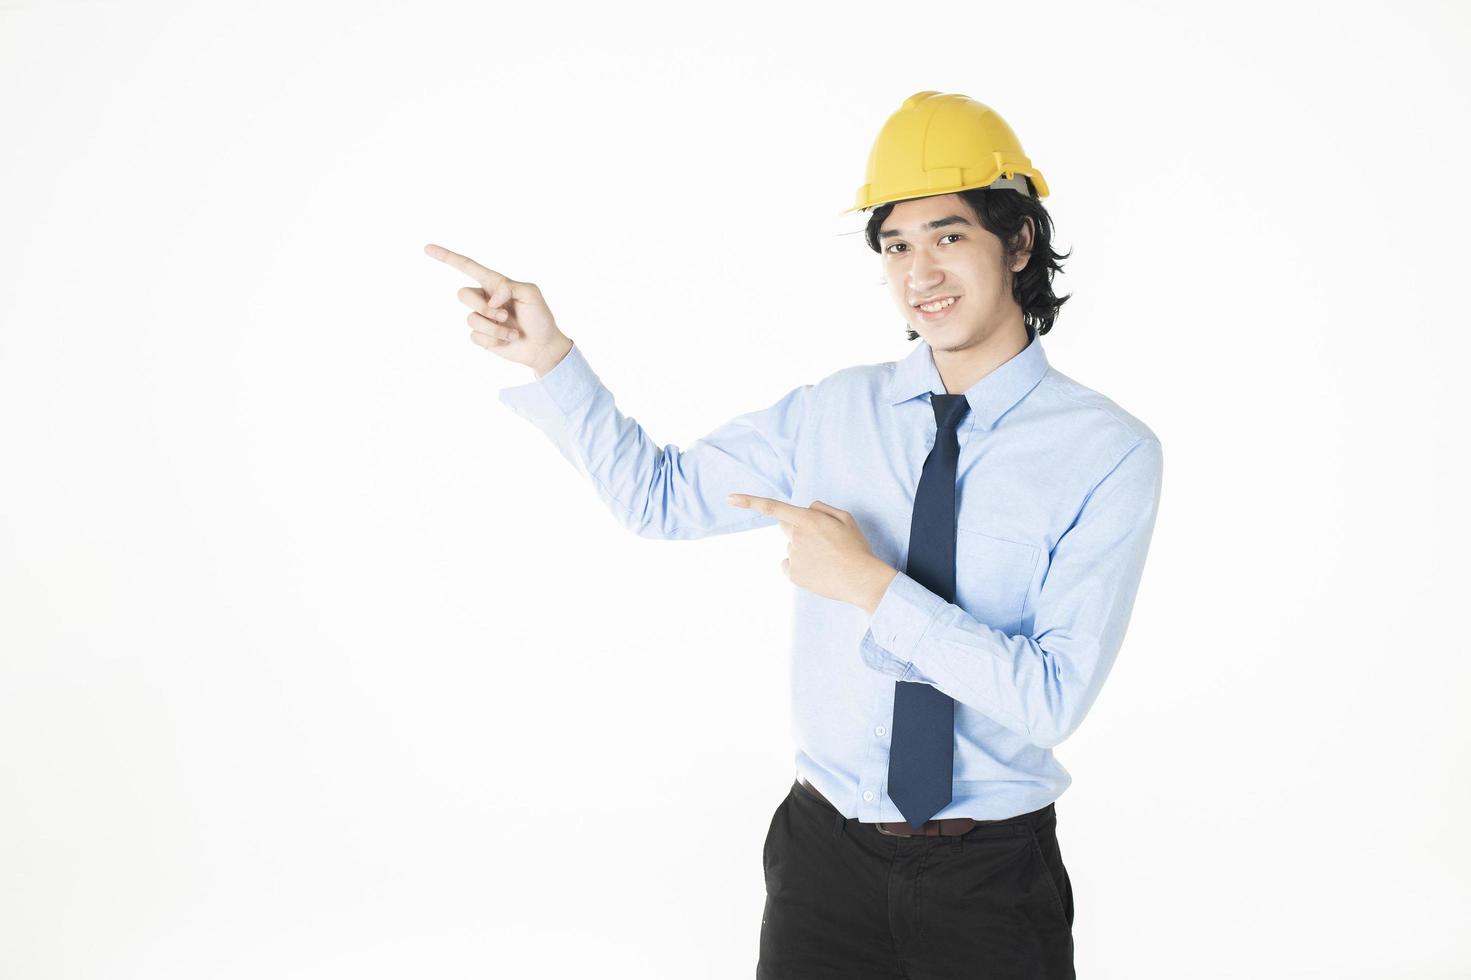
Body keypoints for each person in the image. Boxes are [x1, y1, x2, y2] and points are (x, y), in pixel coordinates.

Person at [424, 90, 1163, 980]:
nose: (918, 271)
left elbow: (1051, 699)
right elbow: (656, 499)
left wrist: (867, 584)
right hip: (823, 866)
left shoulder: (1106, 452)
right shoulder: (829, 415)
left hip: (990, 882)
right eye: (895, 245)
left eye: (948, 235)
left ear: (1017, 242)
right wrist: (550, 359)